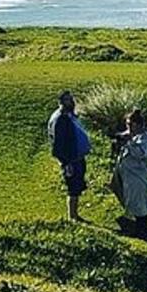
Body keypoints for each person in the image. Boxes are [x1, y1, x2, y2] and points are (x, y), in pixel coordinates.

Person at [111, 109, 147, 237]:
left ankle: (144, 231)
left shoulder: (145, 140)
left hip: (138, 176)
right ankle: (139, 229)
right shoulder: (130, 135)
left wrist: (129, 143)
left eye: (130, 124)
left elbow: (141, 155)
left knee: (139, 205)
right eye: (127, 124)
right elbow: (120, 139)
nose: (128, 127)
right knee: (133, 202)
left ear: (138, 125)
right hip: (127, 176)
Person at [47, 91, 92, 222]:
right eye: (67, 100)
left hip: (77, 157)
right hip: (71, 160)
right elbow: (58, 145)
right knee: (73, 188)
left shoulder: (69, 116)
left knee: (77, 186)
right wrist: (66, 163)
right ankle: (72, 217)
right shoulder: (60, 119)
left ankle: (75, 215)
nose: (70, 102)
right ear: (60, 102)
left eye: (71, 99)